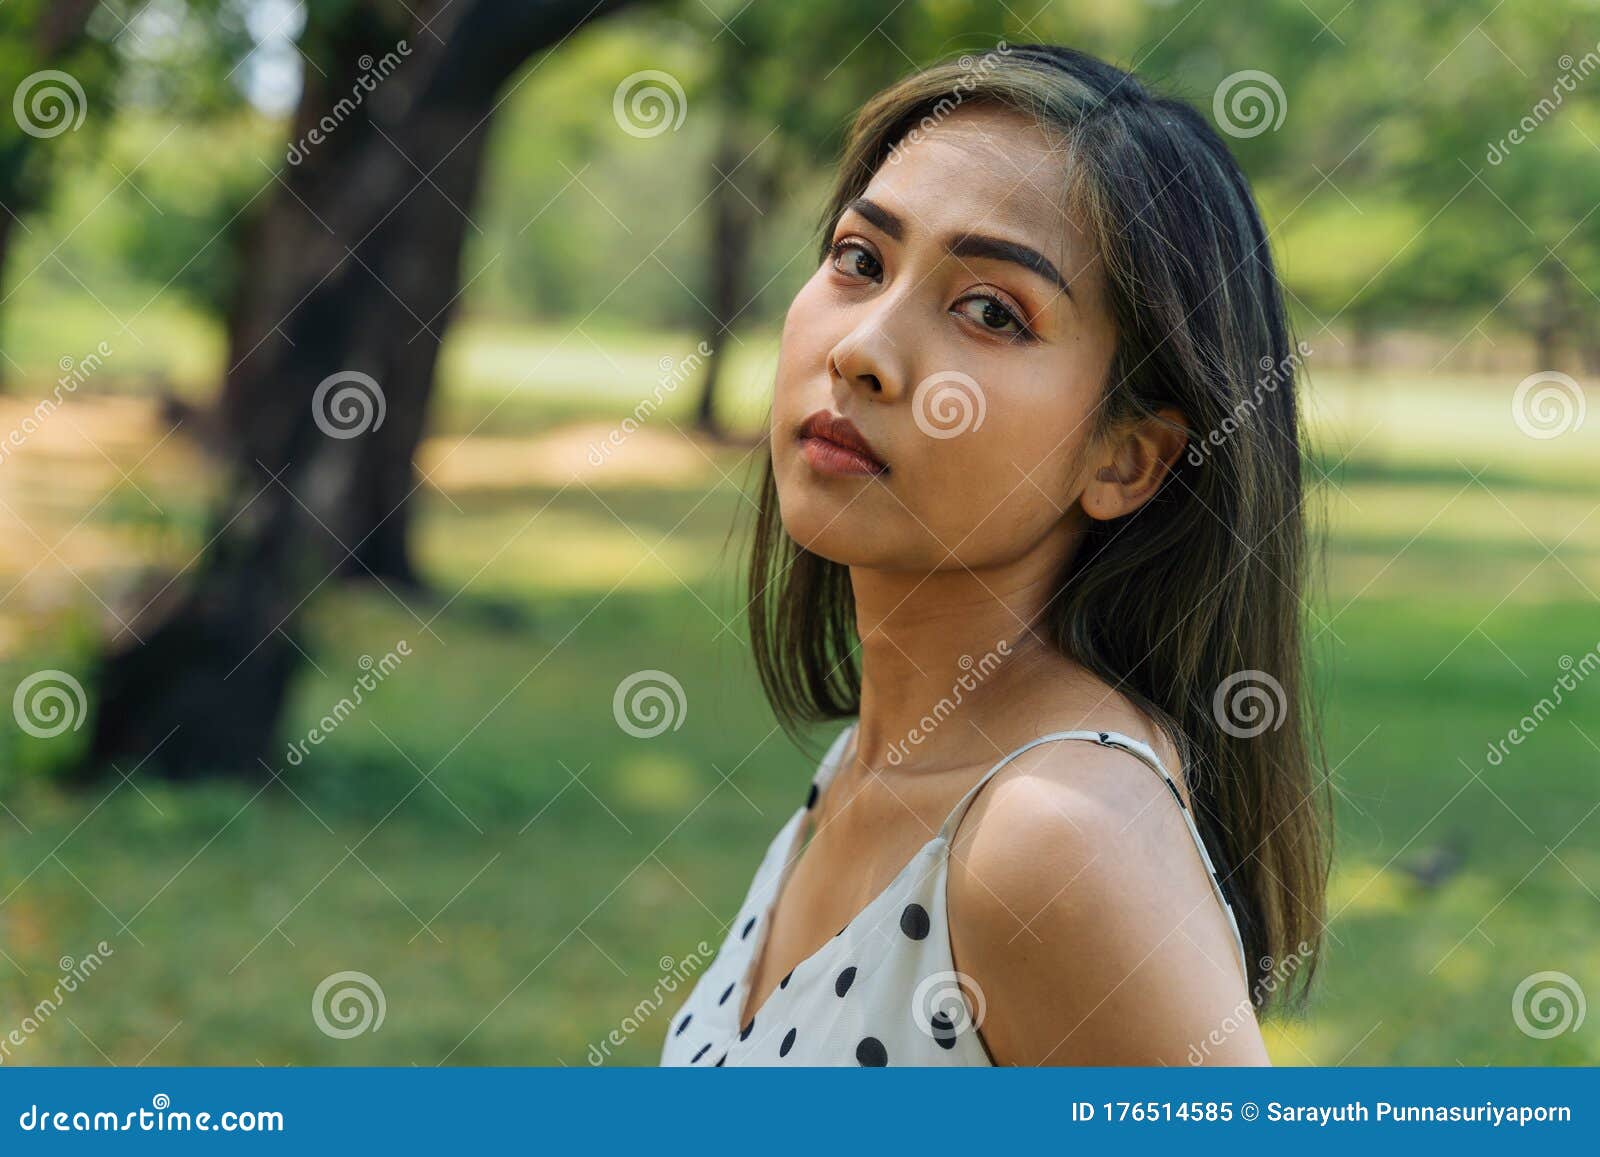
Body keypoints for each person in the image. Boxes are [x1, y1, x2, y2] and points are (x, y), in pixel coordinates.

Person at [660, 42, 1327, 1068]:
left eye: (990, 311)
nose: (861, 351)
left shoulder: (1054, 843)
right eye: (859, 259)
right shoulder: (872, 762)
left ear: (1124, 457)